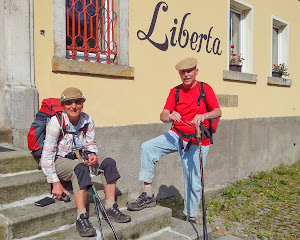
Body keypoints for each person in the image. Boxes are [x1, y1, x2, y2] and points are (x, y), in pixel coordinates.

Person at [127, 57, 222, 223]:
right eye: (183, 72)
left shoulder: (204, 88)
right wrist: (170, 115)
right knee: (147, 147)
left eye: (189, 71)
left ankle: (191, 215)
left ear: (196, 72)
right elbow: (163, 115)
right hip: (177, 135)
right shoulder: (175, 91)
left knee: (193, 179)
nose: (186, 74)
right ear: (179, 74)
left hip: (197, 139)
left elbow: (218, 111)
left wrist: (203, 115)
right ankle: (148, 196)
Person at [41, 87, 131, 237]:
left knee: (109, 163)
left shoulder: (87, 120)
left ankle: (110, 207)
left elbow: (90, 143)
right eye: (69, 103)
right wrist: (55, 182)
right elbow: (47, 156)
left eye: (77, 102)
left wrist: (93, 154)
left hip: (80, 156)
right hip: (60, 161)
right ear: (63, 106)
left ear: (82, 103)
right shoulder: (56, 122)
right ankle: (81, 218)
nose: (73, 106)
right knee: (80, 168)